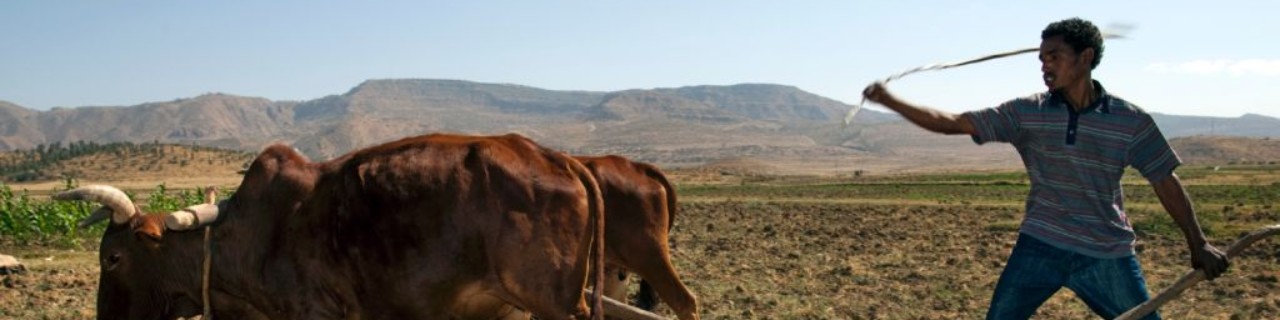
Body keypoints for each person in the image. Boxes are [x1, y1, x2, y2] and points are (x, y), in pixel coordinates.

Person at [861, 17, 1230, 319]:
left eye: (1054, 56)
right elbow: (954, 122)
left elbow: (1165, 180)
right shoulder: (1027, 113)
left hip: (1105, 252)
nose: (1044, 66)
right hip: (1040, 245)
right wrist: (891, 100)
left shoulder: (1130, 121)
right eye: (1041, 58)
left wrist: (1198, 244)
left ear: (1085, 57)